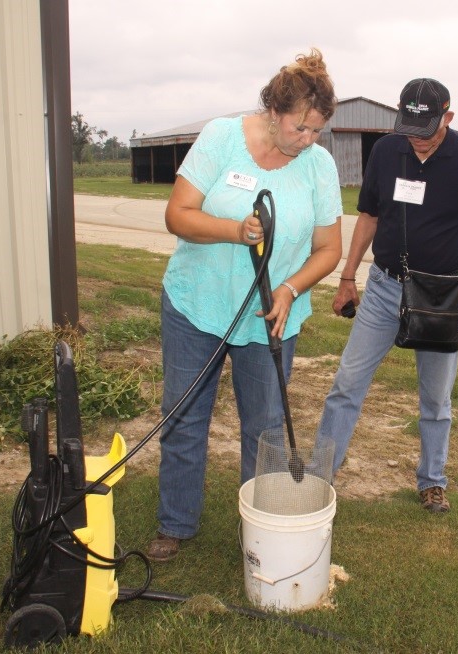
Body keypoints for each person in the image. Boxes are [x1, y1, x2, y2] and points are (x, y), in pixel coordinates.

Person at [149, 49, 343, 562]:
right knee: (185, 417)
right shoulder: (220, 138)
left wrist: (291, 288)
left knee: (263, 430)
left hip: (270, 318)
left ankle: (257, 532)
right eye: (300, 128)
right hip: (197, 306)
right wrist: (235, 231)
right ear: (275, 111)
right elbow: (177, 215)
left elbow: (330, 249)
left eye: (317, 131)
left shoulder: (317, 166)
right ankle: (176, 524)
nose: (307, 140)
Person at [314, 78, 458, 513]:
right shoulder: (388, 151)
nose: (417, 141)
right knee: (347, 384)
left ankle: (432, 481)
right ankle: (320, 477)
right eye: (409, 129)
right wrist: (348, 276)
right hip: (386, 287)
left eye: (425, 132)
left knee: (436, 398)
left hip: (439, 295)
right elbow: (369, 215)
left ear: (447, 116)